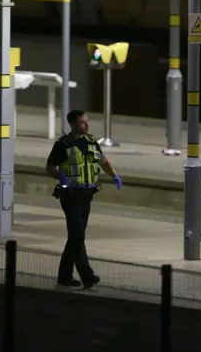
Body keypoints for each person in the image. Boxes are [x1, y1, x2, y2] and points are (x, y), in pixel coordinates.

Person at [46, 109, 123, 289]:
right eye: (82, 122)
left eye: (86, 121)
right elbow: (49, 167)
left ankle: (64, 277)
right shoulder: (62, 144)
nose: (86, 125)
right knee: (78, 234)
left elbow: (103, 161)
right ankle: (86, 275)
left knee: (76, 236)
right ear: (72, 124)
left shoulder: (91, 142)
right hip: (70, 195)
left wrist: (114, 176)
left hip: (87, 195)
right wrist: (59, 177)